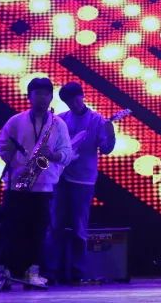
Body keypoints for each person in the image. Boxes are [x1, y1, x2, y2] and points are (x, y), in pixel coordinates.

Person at [0, 77, 72, 290]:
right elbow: (2, 146)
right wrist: (19, 161)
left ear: (51, 97)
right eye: (38, 94)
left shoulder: (58, 124)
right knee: (10, 230)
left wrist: (52, 155)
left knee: (38, 232)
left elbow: (67, 153)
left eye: (46, 94)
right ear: (29, 97)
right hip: (16, 184)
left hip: (43, 186)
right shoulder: (15, 121)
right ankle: (3, 272)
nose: (42, 98)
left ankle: (32, 272)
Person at [49, 82, 118, 284]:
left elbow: (106, 149)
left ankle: (77, 273)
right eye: (69, 101)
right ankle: (50, 272)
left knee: (79, 227)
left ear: (82, 96)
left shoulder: (97, 120)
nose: (74, 103)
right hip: (60, 178)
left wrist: (110, 133)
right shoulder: (61, 119)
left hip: (84, 180)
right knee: (55, 225)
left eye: (76, 98)